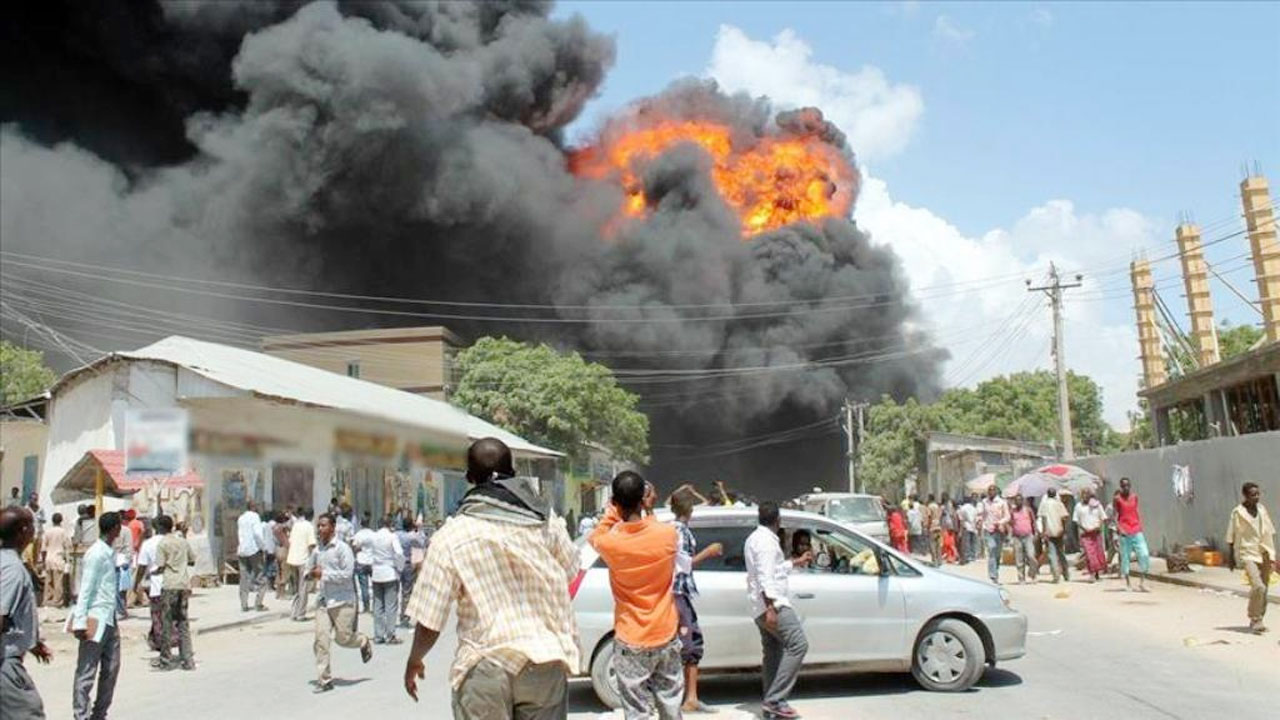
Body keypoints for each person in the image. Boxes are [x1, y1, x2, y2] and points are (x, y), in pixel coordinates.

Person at [403, 438, 579, 719]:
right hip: (545, 663)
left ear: (470, 478)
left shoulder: (452, 535)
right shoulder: (546, 522)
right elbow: (570, 570)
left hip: (485, 666)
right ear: (513, 472)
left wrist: (415, 659)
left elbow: (430, 617)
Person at [589, 471, 683, 720]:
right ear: (644, 499)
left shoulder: (610, 543)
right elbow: (655, 529)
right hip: (665, 633)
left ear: (615, 503)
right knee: (671, 705)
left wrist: (613, 510)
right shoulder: (668, 535)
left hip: (631, 638)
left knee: (637, 712)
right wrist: (648, 508)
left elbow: (596, 536)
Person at [746, 501, 811, 720]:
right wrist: (771, 607)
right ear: (778, 520)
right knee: (798, 644)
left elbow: (773, 570)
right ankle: (775, 700)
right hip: (773, 604)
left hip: (760, 606)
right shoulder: (765, 542)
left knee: (773, 652)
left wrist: (795, 562)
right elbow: (765, 577)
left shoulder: (756, 538)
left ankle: (770, 702)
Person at [669, 488, 723, 714]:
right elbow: (683, 564)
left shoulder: (677, 528)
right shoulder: (678, 531)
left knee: (690, 642)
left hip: (681, 592)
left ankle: (690, 697)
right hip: (678, 592)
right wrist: (708, 552)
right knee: (689, 643)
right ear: (689, 509)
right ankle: (687, 698)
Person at [311, 513, 373, 693]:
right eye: (319, 526)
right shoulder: (318, 550)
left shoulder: (342, 549)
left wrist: (324, 575)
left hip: (342, 601)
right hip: (324, 601)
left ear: (332, 527)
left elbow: (347, 574)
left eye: (323, 526)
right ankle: (324, 679)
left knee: (343, 638)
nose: (320, 529)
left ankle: (362, 640)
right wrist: (310, 573)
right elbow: (311, 567)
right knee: (321, 640)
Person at [2, 506, 53, 720]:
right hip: (5, 664)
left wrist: (31, 643)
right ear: (24, 530)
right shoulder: (12, 569)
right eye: (32, 524)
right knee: (29, 713)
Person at [72, 511, 123, 720]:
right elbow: (86, 588)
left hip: (110, 618)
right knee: (87, 671)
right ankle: (81, 715)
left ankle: (99, 714)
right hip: (95, 618)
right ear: (115, 529)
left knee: (111, 668)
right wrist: (79, 621)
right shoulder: (96, 554)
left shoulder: (109, 552)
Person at [1225, 482, 1274, 634]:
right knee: (1258, 585)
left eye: (1258, 494)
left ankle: (1258, 619)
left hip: (1264, 550)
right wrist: (1231, 558)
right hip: (1247, 552)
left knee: (1264, 588)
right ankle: (1254, 616)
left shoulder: (1261, 509)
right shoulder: (1238, 513)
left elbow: (1269, 531)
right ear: (1245, 495)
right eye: (1253, 495)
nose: (1257, 497)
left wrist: (1272, 555)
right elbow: (1231, 536)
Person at [150, 514, 195, 671]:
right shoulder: (182, 541)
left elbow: (161, 565)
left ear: (160, 528)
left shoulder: (163, 544)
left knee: (167, 623)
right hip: (183, 584)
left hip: (169, 585)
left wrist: (154, 573)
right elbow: (192, 560)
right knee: (183, 622)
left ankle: (166, 660)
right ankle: (188, 660)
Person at [370, 515, 405, 644]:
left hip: (376, 573)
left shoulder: (373, 536)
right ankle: (390, 635)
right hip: (389, 572)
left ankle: (378, 635)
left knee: (378, 605)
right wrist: (399, 568)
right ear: (389, 524)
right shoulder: (392, 536)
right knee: (391, 606)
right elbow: (399, 554)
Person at [1113, 478, 1150, 592]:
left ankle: (1142, 582)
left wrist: (1140, 524)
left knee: (1144, 554)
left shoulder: (1134, 497)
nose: (1126, 488)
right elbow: (1115, 516)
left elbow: (1136, 510)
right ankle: (1128, 583)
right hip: (1125, 531)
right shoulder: (1117, 499)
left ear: (1130, 485)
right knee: (1125, 557)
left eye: (1127, 485)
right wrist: (1119, 529)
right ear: (1121, 487)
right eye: (1123, 486)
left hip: (1136, 529)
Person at [134, 519, 165, 652]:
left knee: (157, 615)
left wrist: (136, 583)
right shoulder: (176, 541)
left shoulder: (148, 544)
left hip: (157, 585)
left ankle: (161, 645)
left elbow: (142, 567)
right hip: (175, 585)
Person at [237, 501, 268, 612]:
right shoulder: (255, 517)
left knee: (243, 578)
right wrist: (263, 547)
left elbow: (240, 534)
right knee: (261, 577)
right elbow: (257, 534)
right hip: (254, 550)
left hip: (242, 550)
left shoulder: (241, 518)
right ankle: (258, 603)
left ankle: (244, 604)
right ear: (253, 507)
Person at [287, 508, 317, 621]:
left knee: (296, 588)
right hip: (303, 559)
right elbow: (311, 544)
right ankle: (300, 613)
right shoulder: (309, 526)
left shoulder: (296, 525)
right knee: (303, 588)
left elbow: (290, 541)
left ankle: (294, 612)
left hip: (292, 558)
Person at [1037, 488, 1071, 583]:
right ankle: (1066, 574)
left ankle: (1056, 576)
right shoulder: (1059, 504)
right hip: (1059, 531)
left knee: (1052, 555)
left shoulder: (1044, 504)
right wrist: (1063, 530)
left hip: (1049, 532)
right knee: (1061, 554)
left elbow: (1043, 518)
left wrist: (1044, 532)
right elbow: (1064, 518)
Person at [1073, 489, 1108, 582]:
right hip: (1085, 534)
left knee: (1098, 553)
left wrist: (1099, 526)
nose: (1085, 496)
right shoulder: (1078, 506)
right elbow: (1076, 520)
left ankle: (1097, 574)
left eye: (1087, 494)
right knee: (1089, 554)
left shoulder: (1097, 505)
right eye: (1083, 494)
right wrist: (1084, 528)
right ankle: (1091, 573)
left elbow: (1103, 517)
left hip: (1096, 533)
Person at [979, 486, 1010, 584]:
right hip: (988, 530)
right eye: (989, 490)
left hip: (999, 530)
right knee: (991, 550)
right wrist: (979, 521)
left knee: (997, 553)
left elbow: (1007, 516)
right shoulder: (984, 502)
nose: (991, 492)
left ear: (996, 492)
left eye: (993, 490)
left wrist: (1001, 522)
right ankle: (993, 576)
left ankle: (995, 570)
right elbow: (982, 514)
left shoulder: (1002, 502)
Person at [41, 513, 70, 609]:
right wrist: (67, 560)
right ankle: (57, 602)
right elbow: (67, 546)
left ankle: (47, 600)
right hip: (58, 558)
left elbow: (43, 548)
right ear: (61, 520)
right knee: (58, 582)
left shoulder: (47, 532)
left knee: (48, 582)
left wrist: (43, 560)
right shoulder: (63, 532)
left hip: (49, 558)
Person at [1009, 495, 1038, 584]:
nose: (1018, 502)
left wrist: (1035, 533)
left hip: (1028, 536)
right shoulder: (1012, 511)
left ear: (1023, 501)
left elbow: (1033, 522)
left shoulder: (1028, 510)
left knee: (1031, 556)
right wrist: (1009, 537)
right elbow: (1010, 524)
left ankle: (1032, 573)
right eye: (1016, 500)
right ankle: (1021, 578)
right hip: (1017, 537)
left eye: (1020, 500)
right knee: (1019, 558)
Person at [112, 511, 134, 620]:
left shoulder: (126, 531)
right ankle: (120, 609)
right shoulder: (111, 530)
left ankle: (121, 610)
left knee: (120, 588)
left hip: (121, 562)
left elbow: (129, 546)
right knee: (116, 588)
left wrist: (127, 560)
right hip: (112, 561)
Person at [351, 523, 375, 613]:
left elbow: (354, 546)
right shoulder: (373, 534)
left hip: (361, 561)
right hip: (372, 561)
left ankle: (366, 606)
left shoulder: (359, 534)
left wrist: (358, 550)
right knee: (374, 585)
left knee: (363, 586)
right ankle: (375, 606)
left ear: (361, 524)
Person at [272, 512, 291, 599]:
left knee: (278, 572)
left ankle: (277, 593)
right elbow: (285, 541)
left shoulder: (274, 527)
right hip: (283, 549)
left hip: (276, 550)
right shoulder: (282, 528)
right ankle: (282, 594)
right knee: (284, 571)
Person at [957, 496, 978, 565]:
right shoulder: (973, 508)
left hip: (966, 527)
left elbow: (961, 520)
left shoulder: (962, 508)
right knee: (973, 542)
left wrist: (960, 530)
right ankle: (973, 556)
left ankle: (967, 557)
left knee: (966, 543)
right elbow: (976, 518)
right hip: (973, 527)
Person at [925, 494, 942, 567]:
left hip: (932, 526)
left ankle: (934, 560)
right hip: (938, 525)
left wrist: (927, 526)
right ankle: (939, 560)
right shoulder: (937, 506)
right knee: (938, 544)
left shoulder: (930, 506)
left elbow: (929, 517)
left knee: (932, 544)